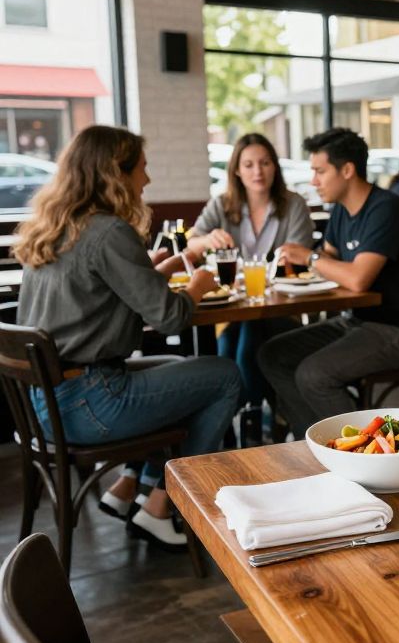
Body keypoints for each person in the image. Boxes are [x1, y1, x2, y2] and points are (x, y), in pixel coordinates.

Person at [14, 125, 241, 550]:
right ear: (114, 174)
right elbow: (170, 317)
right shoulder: (108, 232)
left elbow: (113, 290)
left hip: (45, 402)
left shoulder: (54, 227)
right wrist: (198, 285)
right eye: (142, 168)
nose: (147, 180)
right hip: (89, 402)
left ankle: (127, 488)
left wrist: (174, 262)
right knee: (224, 375)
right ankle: (159, 506)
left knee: (180, 372)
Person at [258, 128, 399, 436]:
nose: (313, 181)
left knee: (314, 375)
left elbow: (356, 279)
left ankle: (368, 450)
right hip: (357, 320)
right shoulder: (341, 210)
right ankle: (310, 440)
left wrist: (309, 258)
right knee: (272, 355)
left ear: (348, 170)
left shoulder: (385, 208)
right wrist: (294, 266)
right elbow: (328, 261)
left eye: (320, 171)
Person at [187, 133, 314, 433]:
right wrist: (205, 239)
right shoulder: (222, 205)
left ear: (275, 167)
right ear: (236, 171)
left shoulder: (293, 204)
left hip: (282, 310)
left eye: (265, 163)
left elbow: (298, 256)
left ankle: (234, 411)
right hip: (234, 307)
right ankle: (250, 412)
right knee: (238, 331)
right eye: (249, 164)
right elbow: (191, 244)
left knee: (244, 331)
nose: (258, 171)